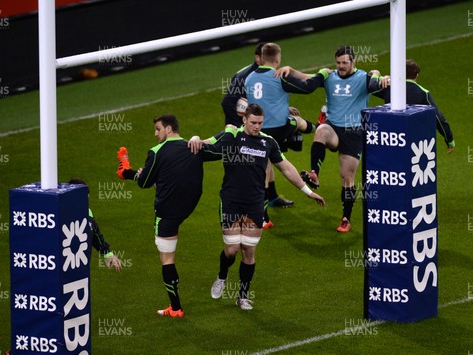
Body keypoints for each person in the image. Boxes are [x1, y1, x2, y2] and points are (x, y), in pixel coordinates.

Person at [189, 104, 325, 310]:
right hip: (231, 201)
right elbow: (207, 144)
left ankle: (242, 296)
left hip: (255, 203)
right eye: (253, 123)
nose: (256, 127)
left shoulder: (268, 142)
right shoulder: (232, 135)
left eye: (260, 123)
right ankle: (222, 276)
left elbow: (286, 168)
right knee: (232, 249)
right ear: (244, 120)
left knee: (248, 251)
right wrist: (195, 138)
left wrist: (308, 191)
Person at [116, 114, 220, 318]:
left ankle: (175, 308)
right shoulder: (194, 146)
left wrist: (143, 175)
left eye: (157, 129)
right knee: (160, 176)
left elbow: (144, 184)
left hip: (166, 213)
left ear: (169, 129)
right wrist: (229, 129)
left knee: (167, 259)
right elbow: (220, 141)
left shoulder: (156, 152)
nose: (155, 134)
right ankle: (126, 171)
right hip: (188, 206)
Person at [300, 45, 389, 233]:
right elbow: (306, 80)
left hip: (353, 132)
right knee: (321, 130)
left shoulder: (363, 78)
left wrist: (384, 77)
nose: (341, 66)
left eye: (345, 63)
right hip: (333, 127)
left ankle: (346, 218)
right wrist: (290, 71)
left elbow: (379, 86)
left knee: (347, 178)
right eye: (338, 62)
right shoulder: (329, 77)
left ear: (353, 62)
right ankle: (314, 172)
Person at [244, 42, 329, 226]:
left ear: (261, 57)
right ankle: (318, 127)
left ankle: (264, 217)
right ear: (278, 59)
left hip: (257, 131)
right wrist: (322, 73)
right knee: (296, 122)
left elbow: (261, 100)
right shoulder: (278, 75)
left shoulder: (249, 78)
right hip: (278, 129)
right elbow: (307, 87)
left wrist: (283, 106)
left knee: (264, 170)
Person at [373, 59, 455, 153]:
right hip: (413, 140)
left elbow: (371, 86)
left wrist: (377, 75)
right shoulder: (423, 93)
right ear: (416, 75)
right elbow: (438, 118)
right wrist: (449, 140)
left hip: (391, 137)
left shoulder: (389, 88)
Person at [67, 178, 122, 272]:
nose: (86, 198)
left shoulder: (87, 212)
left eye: (86, 194)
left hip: (82, 266)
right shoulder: (62, 216)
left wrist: (107, 253)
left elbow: (95, 233)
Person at [221, 42, 266, 127]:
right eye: (268, 57)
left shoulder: (268, 74)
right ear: (258, 58)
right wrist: (241, 128)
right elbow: (227, 103)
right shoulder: (242, 77)